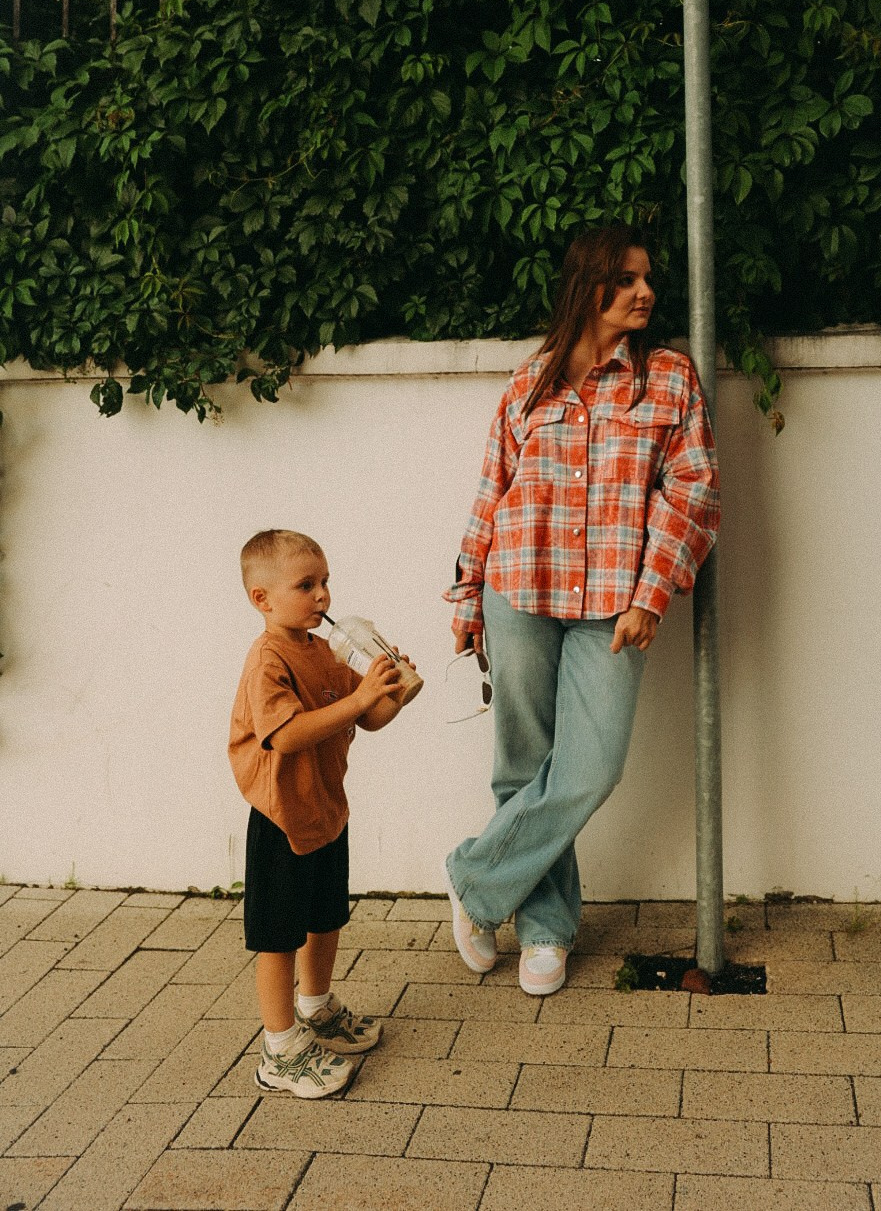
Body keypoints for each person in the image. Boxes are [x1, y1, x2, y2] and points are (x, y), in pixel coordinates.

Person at [443, 223, 721, 996]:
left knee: (590, 768)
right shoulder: (528, 384)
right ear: (587, 287)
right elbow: (493, 492)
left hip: (612, 605)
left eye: (648, 278)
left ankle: (474, 879)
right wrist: (468, 595)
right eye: (628, 280)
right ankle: (544, 931)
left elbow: (693, 491)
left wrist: (651, 592)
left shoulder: (666, 378)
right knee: (523, 765)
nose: (646, 293)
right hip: (519, 589)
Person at [229, 528, 414, 1098]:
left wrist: (389, 693)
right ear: (262, 599)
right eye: (305, 585)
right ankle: (279, 1047)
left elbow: (364, 719)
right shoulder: (269, 657)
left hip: (325, 806)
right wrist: (359, 699)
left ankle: (316, 1007)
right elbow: (285, 736)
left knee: (326, 914)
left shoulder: (325, 649)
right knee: (279, 933)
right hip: (282, 814)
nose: (322, 596)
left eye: (325, 582)